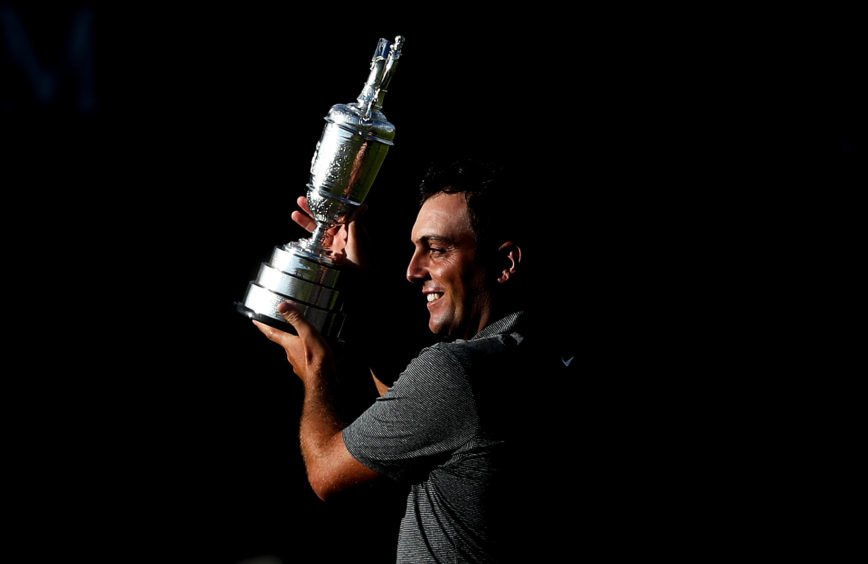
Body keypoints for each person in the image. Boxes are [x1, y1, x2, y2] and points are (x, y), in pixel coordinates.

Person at [252, 158, 566, 562]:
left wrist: (318, 372)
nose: (412, 271)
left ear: (505, 263)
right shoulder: (535, 351)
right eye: (414, 249)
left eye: (436, 250)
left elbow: (327, 476)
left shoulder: (458, 375)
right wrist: (365, 296)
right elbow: (413, 414)